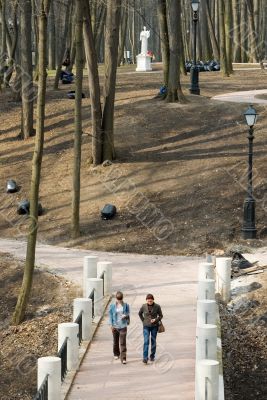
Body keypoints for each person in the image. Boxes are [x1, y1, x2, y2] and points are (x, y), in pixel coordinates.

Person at [138, 294, 163, 364]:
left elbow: (161, 315)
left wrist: (156, 320)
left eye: (151, 301)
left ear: (153, 300)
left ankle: (152, 356)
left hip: (154, 326)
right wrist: (143, 321)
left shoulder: (157, 306)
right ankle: (145, 358)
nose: (149, 302)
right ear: (146, 300)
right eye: (148, 301)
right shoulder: (143, 306)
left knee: (153, 341)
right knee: (146, 341)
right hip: (146, 326)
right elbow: (139, 313)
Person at [109, 291, 130, 364]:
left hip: (123, 326)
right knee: (115, 342)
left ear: (122, 298)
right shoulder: (112, 306)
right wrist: (111, 325)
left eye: (120, 299)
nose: (119, 300)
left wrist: (126, 315)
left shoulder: (126, 305)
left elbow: (128, 313)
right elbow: (110, 316)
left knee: (123, 342)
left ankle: (123, 358)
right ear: (116, 298)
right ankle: (116, 353)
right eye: (118, 299)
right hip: (115, 326)